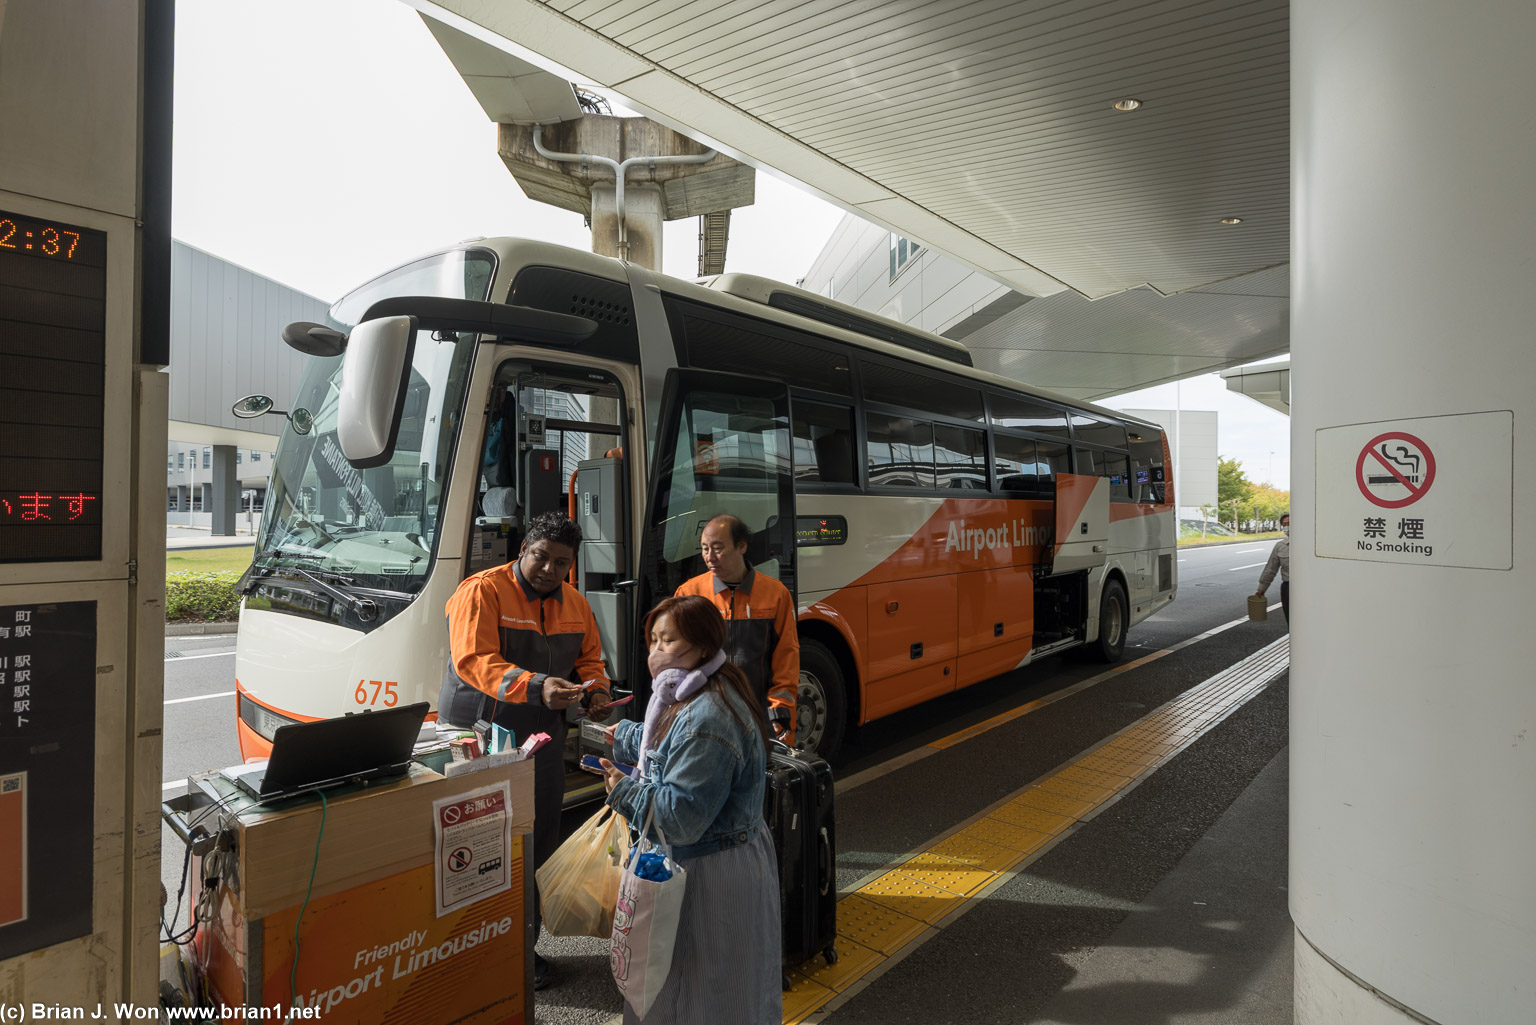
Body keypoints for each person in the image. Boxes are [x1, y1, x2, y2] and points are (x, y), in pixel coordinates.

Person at [439, 511, 611, 990]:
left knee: (536, 843)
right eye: (541, 557)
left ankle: (520, 950)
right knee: (477, 849)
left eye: (562, 562)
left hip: (543, 738)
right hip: (480, 736)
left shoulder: (575, 603)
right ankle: (469, 952)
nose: (549, 570)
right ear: (523, 551)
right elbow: (473, 660)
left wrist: (596, 692)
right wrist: (536, 687)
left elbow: (590, 659)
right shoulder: (483, 590)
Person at [598, 595, 781, 1024]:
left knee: (702, 996)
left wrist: (623, 789)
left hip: (710, 875)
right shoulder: (696, 692)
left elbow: (679, 819)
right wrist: (625, 736)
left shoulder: (708, 715)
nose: (656, 653)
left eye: (668, 641)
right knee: (697, 991)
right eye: (653, 641)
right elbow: (670, 743)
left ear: (702, 646)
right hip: (703, 865)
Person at [674, 514, 799, 741]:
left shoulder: (776, 594)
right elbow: (676, 660)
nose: (709, 557)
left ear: (742, 546)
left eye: (718, 548)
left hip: (757, 717)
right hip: (703, 718)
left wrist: (781, 712)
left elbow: (786, 659)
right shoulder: (689, 594)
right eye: (704, 549)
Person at [1254, 512, 1291, 623]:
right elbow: (1271, 568)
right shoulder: (1281, 546)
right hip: (1288, 587)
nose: (1287, 527)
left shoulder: (1311, 543)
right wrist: (1261, 589)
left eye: (1289, 523)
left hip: (1308, 588)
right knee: (1292, 622)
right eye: (1284, 524)